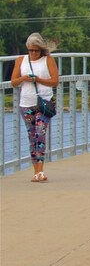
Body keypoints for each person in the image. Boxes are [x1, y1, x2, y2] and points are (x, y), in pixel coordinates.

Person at [11, 33, 60, 182]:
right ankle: (36, 171)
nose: (33, 53)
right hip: (26, 104)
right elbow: (14, 82)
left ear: (41, 50)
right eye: (31, 50)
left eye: (36, 50)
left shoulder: (48, 60)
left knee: (40, 134)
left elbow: (55, 81)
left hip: (43, 103)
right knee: (32, 136)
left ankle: (41, 170)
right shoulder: (21, 60)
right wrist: (23, 78)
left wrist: (38, 79)